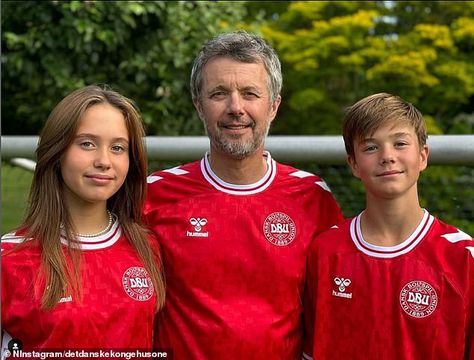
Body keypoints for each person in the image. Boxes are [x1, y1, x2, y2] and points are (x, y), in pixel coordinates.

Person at [144, 30, 344, 359]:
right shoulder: (156, 194)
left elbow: (329, 313)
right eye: (219, 93)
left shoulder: (312, 197)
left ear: (274, 106)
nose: (235, 107)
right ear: (199, 106)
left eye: (250, 93)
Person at [303, 93, 474, 359]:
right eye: (371, 147)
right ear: (354, 164)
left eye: (400, 143)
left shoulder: (462, 258)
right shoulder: (325, 251)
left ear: (423, 156)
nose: (387, 156)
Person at [1, 85, 166, 353]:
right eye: (87, 143)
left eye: (118, 147)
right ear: (58, 151)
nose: (104, 160)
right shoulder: (10, 258)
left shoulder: (148, 247)